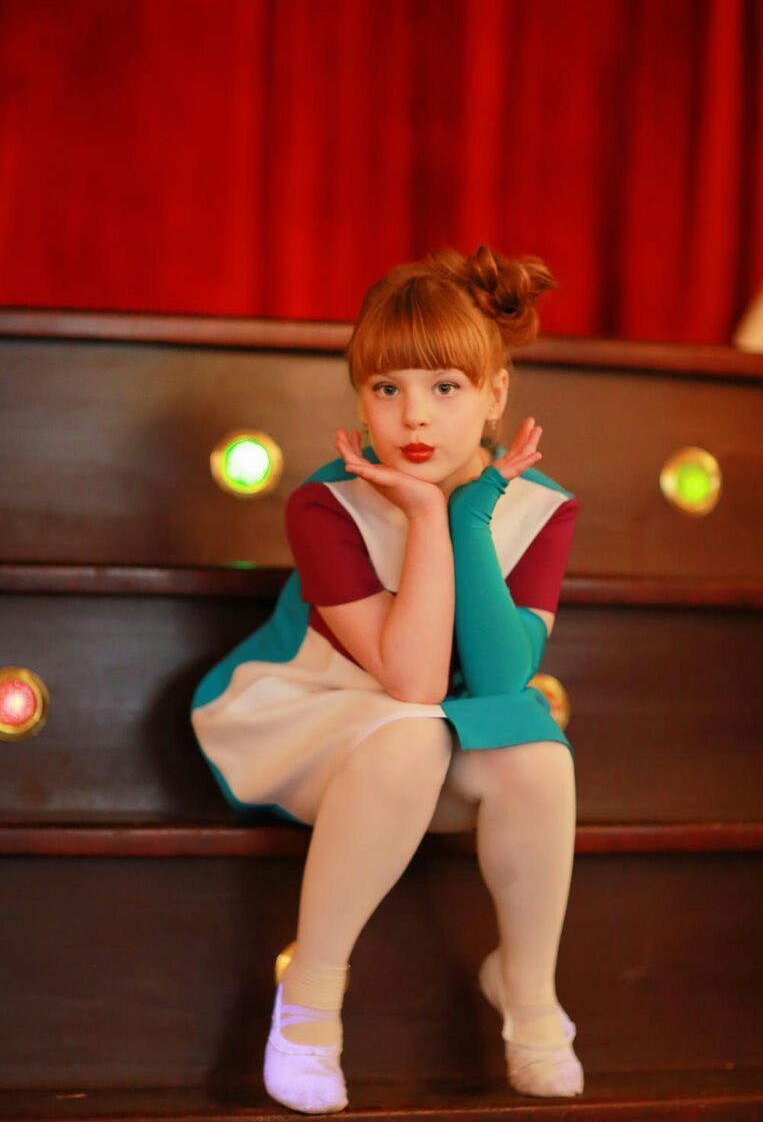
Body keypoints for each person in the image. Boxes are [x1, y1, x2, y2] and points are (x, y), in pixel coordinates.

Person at [190, 245, 584, 1113]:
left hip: (432, 729)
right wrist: (421, 512)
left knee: (537, 755)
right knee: (408, 730)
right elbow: (407, 680)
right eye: (386, 389)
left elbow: (500, 677)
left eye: (445, 388)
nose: (413, 417)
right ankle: (311, 1004)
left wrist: (468, 515)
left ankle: (525, 991)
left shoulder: (538, 508)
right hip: (306, 714)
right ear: (360, 398)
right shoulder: (324, 505)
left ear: (495, 394)